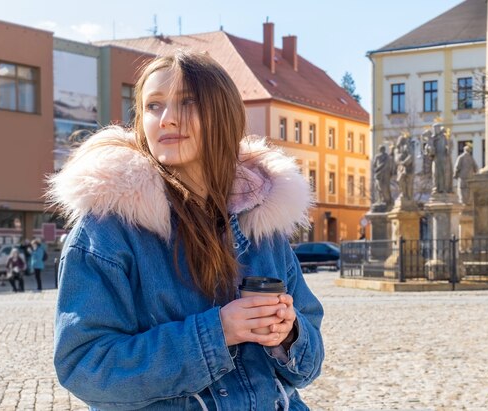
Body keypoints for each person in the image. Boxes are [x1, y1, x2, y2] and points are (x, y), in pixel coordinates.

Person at [48, 51, 324, 410]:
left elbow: (310, 363)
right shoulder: (108, 230)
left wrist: (288, 335)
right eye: (153, 106)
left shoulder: (263, 223)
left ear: (223, 114)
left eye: (187, 102)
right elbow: (85, 367)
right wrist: (217, 333)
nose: (167, 119)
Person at [423, 123, 454, 194]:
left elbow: (450, 146)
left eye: (436, 128)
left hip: (444, 159)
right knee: (435, 174)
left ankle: (445, 189)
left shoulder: (445, 137)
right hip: (436, 159)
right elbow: (427, 149)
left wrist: (448, 148)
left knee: (445, 174)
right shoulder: (432, 138)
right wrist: (429, 148)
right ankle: (436, 188)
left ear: (439, 129)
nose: (435, 130)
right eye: (434, 128)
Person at [394, 133, 414, 202]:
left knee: (408, 183)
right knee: (400, 180)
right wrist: (399, 162)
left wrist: (404, 162)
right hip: (400, 168)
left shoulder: (407, 147)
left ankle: (408, 197)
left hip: (408, 168)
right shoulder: (397, 150)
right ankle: (403, 194)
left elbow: (411, 156)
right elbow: (396, 159)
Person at [372, 144, 393, 208]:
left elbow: (374, 165)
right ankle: (382, 200)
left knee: (380, 187)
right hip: (384, 174)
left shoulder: (379, 156)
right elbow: (390, 167)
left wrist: (377, 169)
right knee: (382, 187)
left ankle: (382, 200)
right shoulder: (387, 157)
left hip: (381, 174)